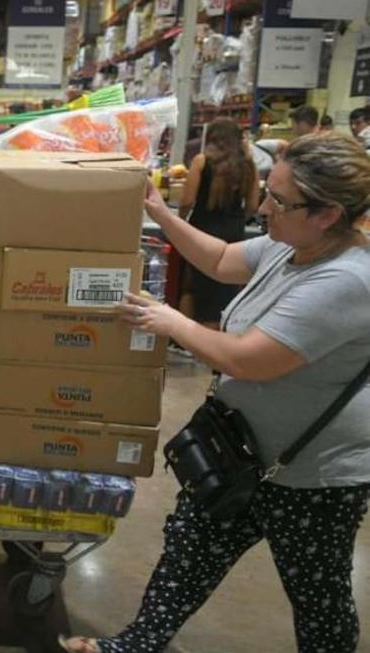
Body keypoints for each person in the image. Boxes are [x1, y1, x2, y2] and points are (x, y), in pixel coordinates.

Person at [61, 132, 370, 653]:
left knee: (318, 596)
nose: (260, 206)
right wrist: (160, 211)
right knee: (187, 552)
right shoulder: (289, 244)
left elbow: (247, 359)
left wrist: (171, 321)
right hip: (241, 450)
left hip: (310, 475)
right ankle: (135, 646)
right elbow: (224, 258)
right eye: (268, 191)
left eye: (277, 199)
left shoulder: (345, 279)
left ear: (327, 214)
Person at [177, 119, 259, 329]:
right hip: (233, 232)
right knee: (225, 288)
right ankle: (218, 334)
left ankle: (186, 339)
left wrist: (180, 221)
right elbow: (252, 204)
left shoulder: (201, 162)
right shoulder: (248, 164)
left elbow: (187, 200)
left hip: (202, 228)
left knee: (192, 286)